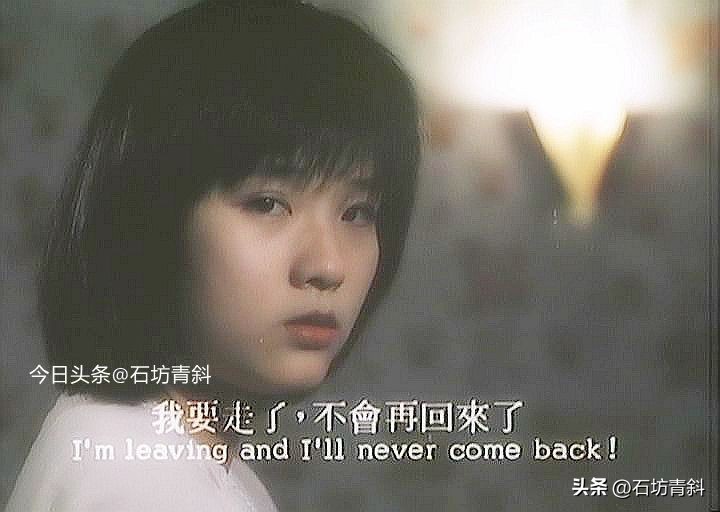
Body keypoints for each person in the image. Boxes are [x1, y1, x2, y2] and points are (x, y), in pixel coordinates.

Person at [5, 0, 420, 510]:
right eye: (267, 204)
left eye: (357, 213)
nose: (328, 267)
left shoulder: (180, 457)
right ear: (150, 216)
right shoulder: (132, 472)